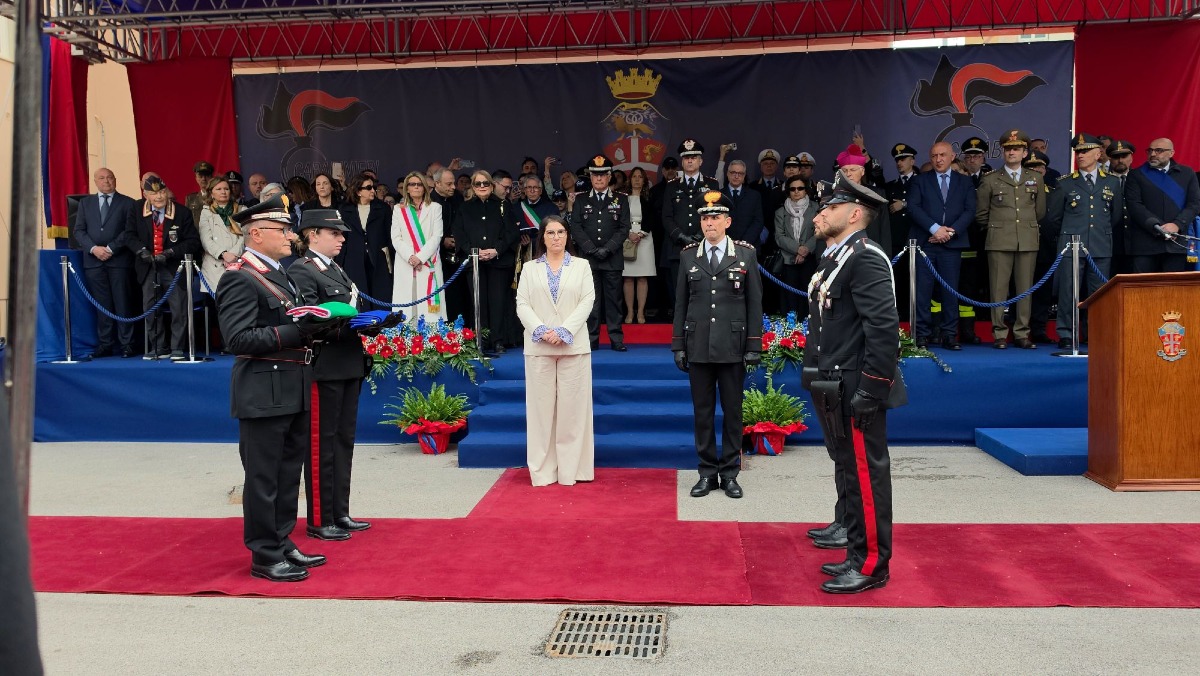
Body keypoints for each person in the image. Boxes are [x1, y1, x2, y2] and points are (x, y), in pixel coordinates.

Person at [215, 194, 330, 582]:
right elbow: (237, 338)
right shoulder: (239, 277)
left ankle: (282, 541)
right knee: (264, 477)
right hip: (263, 391)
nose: (289, 236)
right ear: (257, 233)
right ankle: (264, 553)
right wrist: (297, 330)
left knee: (286, 475)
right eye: (282, 230)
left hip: (292, 385)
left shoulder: (278, 273)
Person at [803, 177, 905, 594]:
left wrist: (873, 388)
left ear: (855, 213)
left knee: (867, 474)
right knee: (851, 467)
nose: (820, 213)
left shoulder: (866, 257)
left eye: (830, 207)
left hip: (858, 384)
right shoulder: (838, 257)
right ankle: (855, 552)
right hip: (837, 383)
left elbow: (883, 330)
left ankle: (872, 564)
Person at [288, 209, 374, 541]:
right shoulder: (303, 269)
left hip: (348, 362)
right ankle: (320, 519)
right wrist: (347, 324)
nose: (341, 239)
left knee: (343, 441)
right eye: (334, 233)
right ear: (312, 235)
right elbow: (307, 320)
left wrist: (373, 322)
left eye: (341, 234)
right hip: (325, 365)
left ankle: (340, 511)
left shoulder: (334, 268)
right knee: (321, 445)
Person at [672, 190, 763, 500]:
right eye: (704, 218)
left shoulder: (745, 254)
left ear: (728, 221)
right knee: (703, 412)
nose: (708, 223)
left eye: (714, 218)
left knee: (733, 412)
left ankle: (730, 473)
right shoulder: (688, 255)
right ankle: (707, 473)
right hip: (698, 345)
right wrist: (678, 345)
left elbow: (754, 303)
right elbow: (681, 304)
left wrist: (753, 345)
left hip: (733, 345)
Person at [515, 215, 597, 486]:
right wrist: (541, 330)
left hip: (573, 346)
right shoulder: (529, 268)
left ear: (567, 236)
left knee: (573, 412)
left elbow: (587, 300)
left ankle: (571, 471)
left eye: (561, 232)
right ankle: (542, 471)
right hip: (539, 347)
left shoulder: (582, 266)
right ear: (543, 237)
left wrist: (564, 331)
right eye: (550, 232)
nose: (556, 237)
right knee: (540, 412)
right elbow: (522, 303)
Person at [1044, 133, 1123, 349]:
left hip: (1100, 243)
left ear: (1098, 154)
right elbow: (1053, 219)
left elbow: (1115, 216)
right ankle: (1067, 333)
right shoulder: (1066, 183)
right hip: (1072, 244)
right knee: (1069, 291)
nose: (1080, 155)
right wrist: (1063, 241)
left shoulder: (1112, 182)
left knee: (1099, 293)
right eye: (1078, 151)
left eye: (1085, 151)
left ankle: (1096, 332)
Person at [976, 129, 1047, 350]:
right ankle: (999, 333)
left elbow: (1040, 211)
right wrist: (1000, 227)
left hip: (1026, 238)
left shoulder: (1034, 178)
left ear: (1025, 153)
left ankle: (1021, 333)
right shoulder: (990, 179)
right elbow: (981, 214)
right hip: (999, 239)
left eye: (1016, 149)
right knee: (998, 288)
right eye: (1008, 149)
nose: (1011, 152)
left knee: (1024, 288)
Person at [905, 142, 977, 349]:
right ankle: (921, 335)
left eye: (943, 155)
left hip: (951, 244)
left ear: (952, 156)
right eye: (934, 155)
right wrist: (935, 229)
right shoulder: (920, 181)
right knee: (922, 291)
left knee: (950, 291)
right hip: (925, 243)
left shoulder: (965, 182)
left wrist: (950, 232)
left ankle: (949, 335)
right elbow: (914, 207)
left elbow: (969, 210)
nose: (938, 159)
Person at [127, 176, 201, 361]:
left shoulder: (181, 212)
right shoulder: (136, 210)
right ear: (145, 194)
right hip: (147, 266)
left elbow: (192, 242)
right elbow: (129, 235)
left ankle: (177, 348)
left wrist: (170, 252)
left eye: (161, 192)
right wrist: (141, 251)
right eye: (153, 193)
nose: (159, 196)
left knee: (178, 309)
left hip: (173, 267)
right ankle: (158, 347)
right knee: (151, 309)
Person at [568, 154, 632, 351]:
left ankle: (616, 338)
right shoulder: (580, 200)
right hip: (588, 258)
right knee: (591, 301)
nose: (598, 179)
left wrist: (608, 248)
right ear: (591, 177)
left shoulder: (620, 199)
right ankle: (592, 338)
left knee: (614, 300)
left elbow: (624, 227)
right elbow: (576, 227)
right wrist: (591, 249)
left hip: (612, 257)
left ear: (609, 176)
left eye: (603, 175)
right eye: (595, 175)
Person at [74, 167, 137, 358]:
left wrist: (110, 248)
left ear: (115, 180)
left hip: (119, 261)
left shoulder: (128, 203)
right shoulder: (85, 203)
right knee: (102, 305)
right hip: (94, 262)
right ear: (95, 181)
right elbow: (78, 231)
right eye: (102, 178)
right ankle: (105, 344)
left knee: (122, 303)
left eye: (110, 177)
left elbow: (129, 231)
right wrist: (94, 249)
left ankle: (127, 344)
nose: (107, 181)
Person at [454, 169, 519, 354]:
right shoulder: (465, 208)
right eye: (477, 184)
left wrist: (496, 250)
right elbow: (459, 233)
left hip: (499, 263)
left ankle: (498, 340)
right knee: (478, 302)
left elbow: (511, 233)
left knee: (498, 302)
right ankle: (480, 340)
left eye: (485, 183)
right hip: (474, 263)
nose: (482, 187)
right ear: (473, 187)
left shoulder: (502, 205)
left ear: (492, 186)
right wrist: (473, 252)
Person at [1124, 137, 1200, 273]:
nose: (1153, 154)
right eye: (1150, 150)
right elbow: (1134, 206)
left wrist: (1177, 225)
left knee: (1173, 291)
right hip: (1145, 245)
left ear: (1171, 153)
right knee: (1143, 291)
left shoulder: (1187, 173)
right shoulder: (1136, 175)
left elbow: (1194, 204)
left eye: (1158, 151)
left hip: (1175, 243)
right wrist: (1156, 226)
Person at [662, 139, 720, 303]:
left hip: (704, 244)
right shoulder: (672, 186)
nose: (689, 160)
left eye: (693, 157)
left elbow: (715, 215)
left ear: (700, 161)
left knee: (702, 291)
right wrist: (681, 236)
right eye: (686, 157)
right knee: (678, 293)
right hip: (677, 247)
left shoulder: (711, 184)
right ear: (682, 161)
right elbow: (666, 217)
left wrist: (700, 235)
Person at [391, 171, 446, 324]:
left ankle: (431, 342)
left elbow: (437, 236)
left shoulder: (435, 207)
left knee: (429, 310)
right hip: (406, 263)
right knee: (407, 304)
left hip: (428, 263)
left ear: (424, 187)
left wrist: (420, 257)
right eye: (412, 184)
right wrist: (411, 257)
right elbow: (396, 238)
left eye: (419, 184)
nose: (416, 187)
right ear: (406, 188)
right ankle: (407, 341)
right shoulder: (398, 209)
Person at [339, 172, 394, 304]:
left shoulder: (383, 208)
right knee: (359, 296)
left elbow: (389, 235)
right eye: (368, 188)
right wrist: (341, 262)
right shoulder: (345, 210)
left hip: (378, 258)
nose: (373, 190)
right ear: (358, 191)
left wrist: (388, 256)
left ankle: (381, 322)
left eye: (373, 187)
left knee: (380, 295)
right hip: (354, 258)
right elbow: (342, 237)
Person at [774, 175, 820, 318]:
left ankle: (807, 330)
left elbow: (820, 232)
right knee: (790, 298)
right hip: (789, 260)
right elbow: (779, 237)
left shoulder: (816, 208)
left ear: (806, 190)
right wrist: (798, 249)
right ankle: (791, 332)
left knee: (807, 296)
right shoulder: (780, 212)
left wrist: (806, 249)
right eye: (792, 189)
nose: (796, 191)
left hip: (810, 259)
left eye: (800, 188)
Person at [197, 175, 244, 293]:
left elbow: (245, 236)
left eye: (226, 189)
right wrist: (223, 254)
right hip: (214, 266)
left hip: (238, 262)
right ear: (211, 193)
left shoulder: (242, 209)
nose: (223, 192)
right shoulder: (206, 212)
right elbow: (206, 240)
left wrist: (233, 254)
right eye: (218, 189)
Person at [623, 167, 656, 324]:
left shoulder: (650, 197)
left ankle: (641, 312)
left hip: (645, 238)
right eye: (634, 176)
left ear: (644, 180)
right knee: (628, 278)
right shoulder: (622, 198)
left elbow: (653, 217)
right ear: (629, 180)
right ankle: (630, 312)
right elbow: (619, 218)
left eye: (640, 177)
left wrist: (641, 233)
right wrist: (628, 233)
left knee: (642, 277)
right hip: (627, 237)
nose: (637, 179)